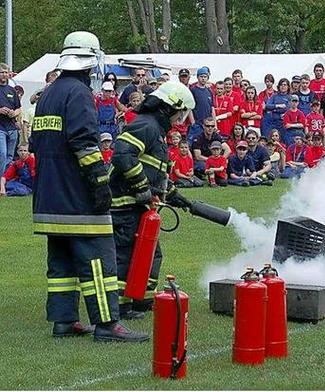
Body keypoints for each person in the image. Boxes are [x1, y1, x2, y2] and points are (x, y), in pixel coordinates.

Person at [31, 31, 147, 341]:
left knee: (61, 262)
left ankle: (64, 320)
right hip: (77, 198)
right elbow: (84, 144)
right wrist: (99, 184)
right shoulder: (79, 94)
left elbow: (36, 143)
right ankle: (108, 324)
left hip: (49, 198)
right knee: (98, 260)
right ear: (90, 62)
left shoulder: (49, 93)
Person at [110, 80, 196, 322]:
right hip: (124, 203)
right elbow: (123, 155)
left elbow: (155, 171)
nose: (181, 119)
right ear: (170, 107)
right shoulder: (145, 126)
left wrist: (175, 194)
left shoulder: (157, 131)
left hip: (141, 205)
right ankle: (121, 306)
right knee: (125, 254)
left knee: (151, 253)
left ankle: (142, 298)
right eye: (180, 113)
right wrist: (142, 188)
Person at [0, 62, 21, 174]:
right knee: (2, 154)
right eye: (1, 72)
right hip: (1, 128)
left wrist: (14, 113)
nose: (4, 75)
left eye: (6, 72)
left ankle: (4, 179)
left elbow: (19, 108)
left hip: (12, 127)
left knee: (9, 155)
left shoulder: (12, 90)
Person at [188, 67, 215, 140]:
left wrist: (214, 123)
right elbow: (189, 108)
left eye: (205, 77)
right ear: (197, 77)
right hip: (197, 124)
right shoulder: (193, 90)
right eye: (201, 76)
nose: (203, 78)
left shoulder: (209, 91)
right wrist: (193, 122)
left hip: (208, 125)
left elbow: (212, 108)